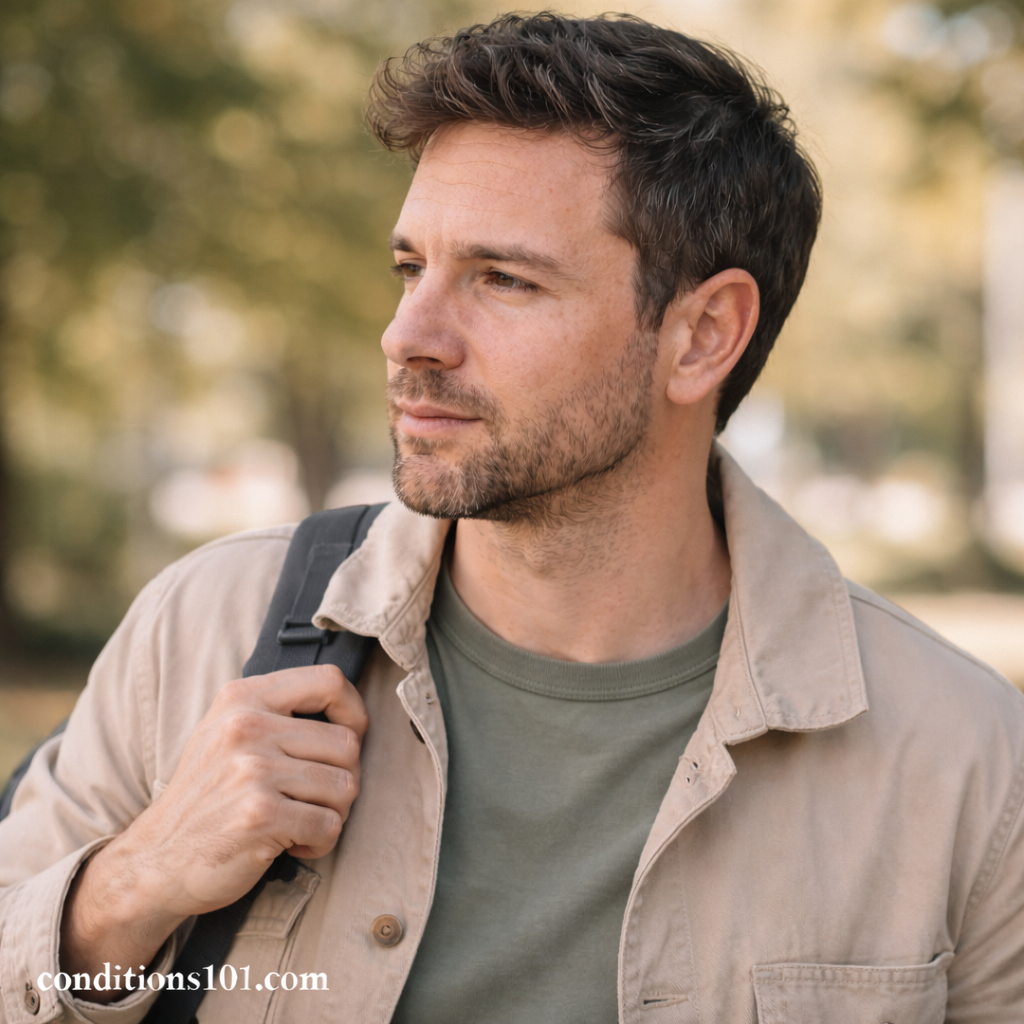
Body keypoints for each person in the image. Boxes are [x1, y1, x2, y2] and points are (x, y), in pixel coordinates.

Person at [2, 12, 1023, 1024]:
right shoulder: (207, 628)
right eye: (411, 268)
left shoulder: (965, 760)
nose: (410, 335)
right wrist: (130, 887)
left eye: (502, 279)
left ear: (702, 333)